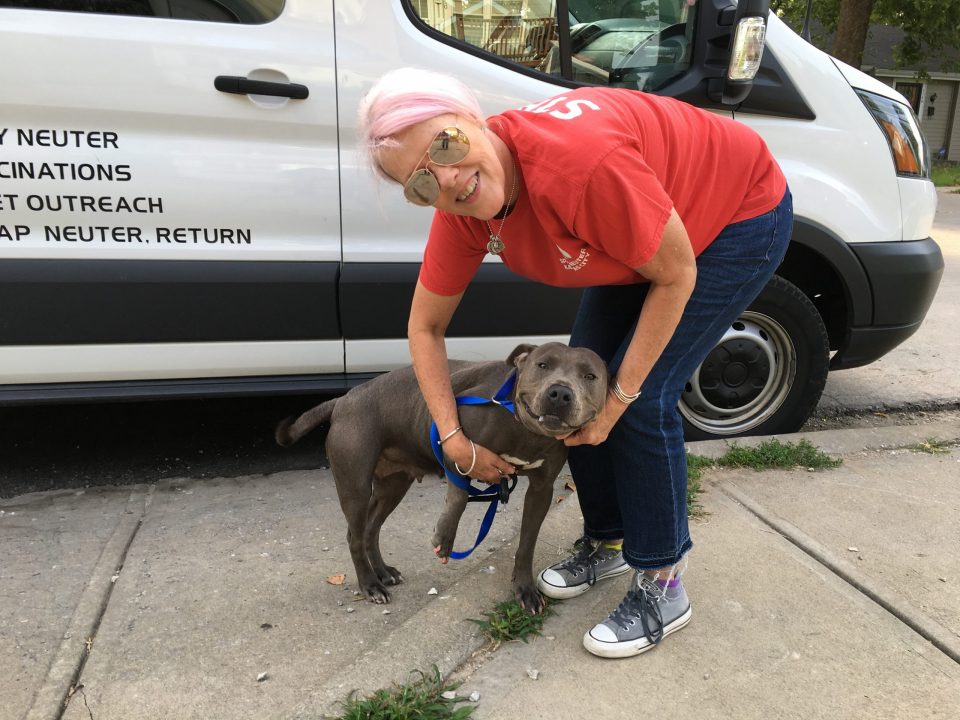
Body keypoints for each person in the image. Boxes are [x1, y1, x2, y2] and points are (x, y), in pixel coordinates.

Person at [357, 67, 791, 658]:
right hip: (638, 229)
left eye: (446, 144)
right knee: (582, 397)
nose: (449, 178)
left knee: (636, 401)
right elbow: (424, 326)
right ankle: (609, 540)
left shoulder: (576, 167)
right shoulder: (463, 212)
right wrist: (452, 437)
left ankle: (663, 583)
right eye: (422, 183)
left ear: (474, 120)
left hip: (734, 213)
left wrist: (623, 397)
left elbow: (676, 272)